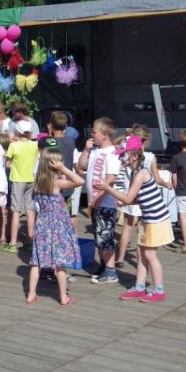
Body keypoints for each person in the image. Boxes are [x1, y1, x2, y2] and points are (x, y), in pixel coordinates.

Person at [99, 136, 174, 302]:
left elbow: (128, 198)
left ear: (134, 156)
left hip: (156, 220)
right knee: (142, 253)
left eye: (123, 154)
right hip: (148, 219)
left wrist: (107, 188)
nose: (120, 158)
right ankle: (140, 287)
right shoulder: (135, 172)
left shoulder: (141, 173)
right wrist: (127, 201)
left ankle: (159, 291)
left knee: (150, 255)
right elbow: (137, 198)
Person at [25, 141, 84, 307]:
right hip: (58, 226)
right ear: (55, 165)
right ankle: (63, 296)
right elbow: (80, 181)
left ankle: (31, 294)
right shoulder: (57, 183)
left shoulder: (38, 183)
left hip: (42, 224)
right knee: (60, 263)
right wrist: (64, 169)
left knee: (37, 261)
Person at [76, 117, 120, 284]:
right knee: (99, 237)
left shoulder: (112, 154)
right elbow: (81, 166)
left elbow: (111, 179)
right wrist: (86, 150)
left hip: (106, 201)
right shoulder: (94, 150)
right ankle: (104, 266)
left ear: (104, 135)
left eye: (94, 132)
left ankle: (111, 272)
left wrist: (98, 197)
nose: (92, 134)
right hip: (95, 202)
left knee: (105, 236)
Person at [3, 120, 38, 253]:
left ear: (17, 131)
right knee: (30, 210)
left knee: (16, 211)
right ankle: (30, 240)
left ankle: (12, 243)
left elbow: (7, 163)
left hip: (18, 180)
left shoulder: (14, 146)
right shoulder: (35, 145)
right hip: (32, 179)